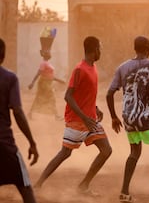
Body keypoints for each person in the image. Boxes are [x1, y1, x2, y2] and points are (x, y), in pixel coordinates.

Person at [34, 36, 112, 195]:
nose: (101, 52)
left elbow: (85, 93)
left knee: (106, 150)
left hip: (90, 119)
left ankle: (83, 186)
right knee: (65, 153)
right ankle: (37, 185)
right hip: (77, 121)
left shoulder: (93, 67)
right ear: (94, 50)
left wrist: (95, 108)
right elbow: (68, 96)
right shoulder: (79, 69)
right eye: (100, 48)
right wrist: (84, 117)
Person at [106, 36, 149, 203]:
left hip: (128, 117)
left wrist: (113, 117)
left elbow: (109, 93)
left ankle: (124, 192)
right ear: (148, 49)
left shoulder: (122, 67)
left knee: (134, 152)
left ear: (135, 49)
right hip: (145, 116)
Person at [0, 38, 39, 203]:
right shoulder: (9, 78)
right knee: (26, 189)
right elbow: (17, 111)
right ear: (3, 56)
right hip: (4, 144)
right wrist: (32, 142)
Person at [28, 49, 65, 120]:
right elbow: (38, 73)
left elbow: (50, 76)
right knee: (51, 99)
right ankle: (56, 116)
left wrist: (59, 80)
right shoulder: (43, 63)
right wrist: (32, 83)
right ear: (45, 55)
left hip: (47, 83)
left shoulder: (47, 63)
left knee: (39, 99)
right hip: (44, 84)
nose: (50, 53)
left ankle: (30, 113)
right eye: (48, 53)